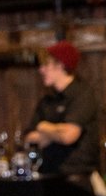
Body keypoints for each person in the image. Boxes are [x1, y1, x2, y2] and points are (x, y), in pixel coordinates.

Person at [24, 40, 101, 179]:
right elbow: (29, 137)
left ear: (60, 65)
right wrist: (56, 132)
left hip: (77, 178)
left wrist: (43, 126)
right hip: (48, 175)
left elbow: (68, 136)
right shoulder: (47, 100)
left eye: (46, 64)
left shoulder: (82, 94)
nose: (41, 69)